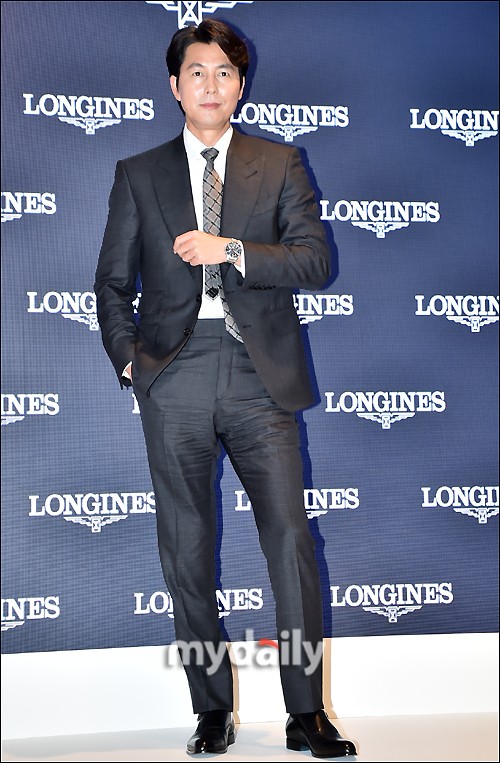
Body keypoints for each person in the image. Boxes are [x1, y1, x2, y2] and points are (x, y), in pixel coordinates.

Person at [95, 19, 356, 758]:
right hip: (171, 373)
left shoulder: (279, 163)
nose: (211, 84)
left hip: (257, 374)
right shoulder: (138, 172)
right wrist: (130, 362)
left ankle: (307, 713)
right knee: (186, 548)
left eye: (225, 72)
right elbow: (111, 284)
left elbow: (314, 262)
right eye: (197, 72)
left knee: (290, 541)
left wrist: (232, 249)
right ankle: (212, 710)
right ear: (175, 86)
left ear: (241, 85)